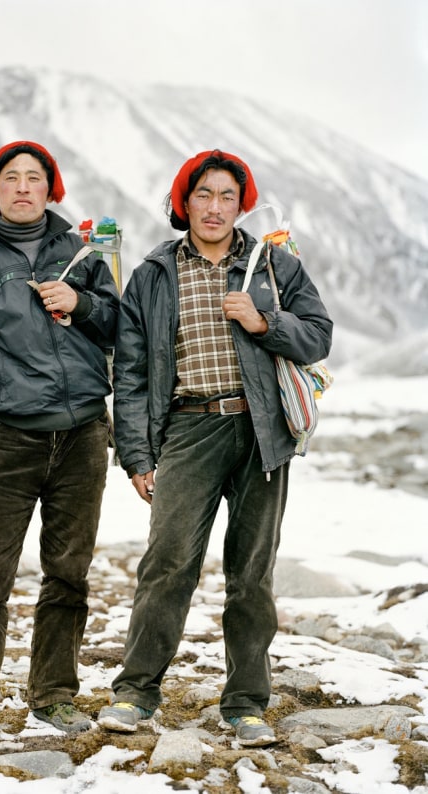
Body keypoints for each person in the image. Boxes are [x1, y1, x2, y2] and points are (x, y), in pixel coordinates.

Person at [97, 149, 332, 746]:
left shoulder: (271, 265)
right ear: (185, 201)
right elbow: (130, 375)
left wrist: (264, 323)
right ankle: (135, 693)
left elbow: (319, 335)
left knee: (251, 573)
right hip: (187, 430)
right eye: (204, 194)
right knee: (167, 564)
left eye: (228, 196)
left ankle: (247, 703)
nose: (216, 207)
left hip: (261, 430)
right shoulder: (153, 274)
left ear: (241, 203)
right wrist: (136, 455)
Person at [0, 140, 119, 749]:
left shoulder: (85, 253)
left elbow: (122, 323)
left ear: (50, 189)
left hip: (86, 435)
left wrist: (82, 302)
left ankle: (55, 695)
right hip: (10, 439)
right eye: (10, 178)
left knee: (69, 573)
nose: (22, 187)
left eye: (34, 178)